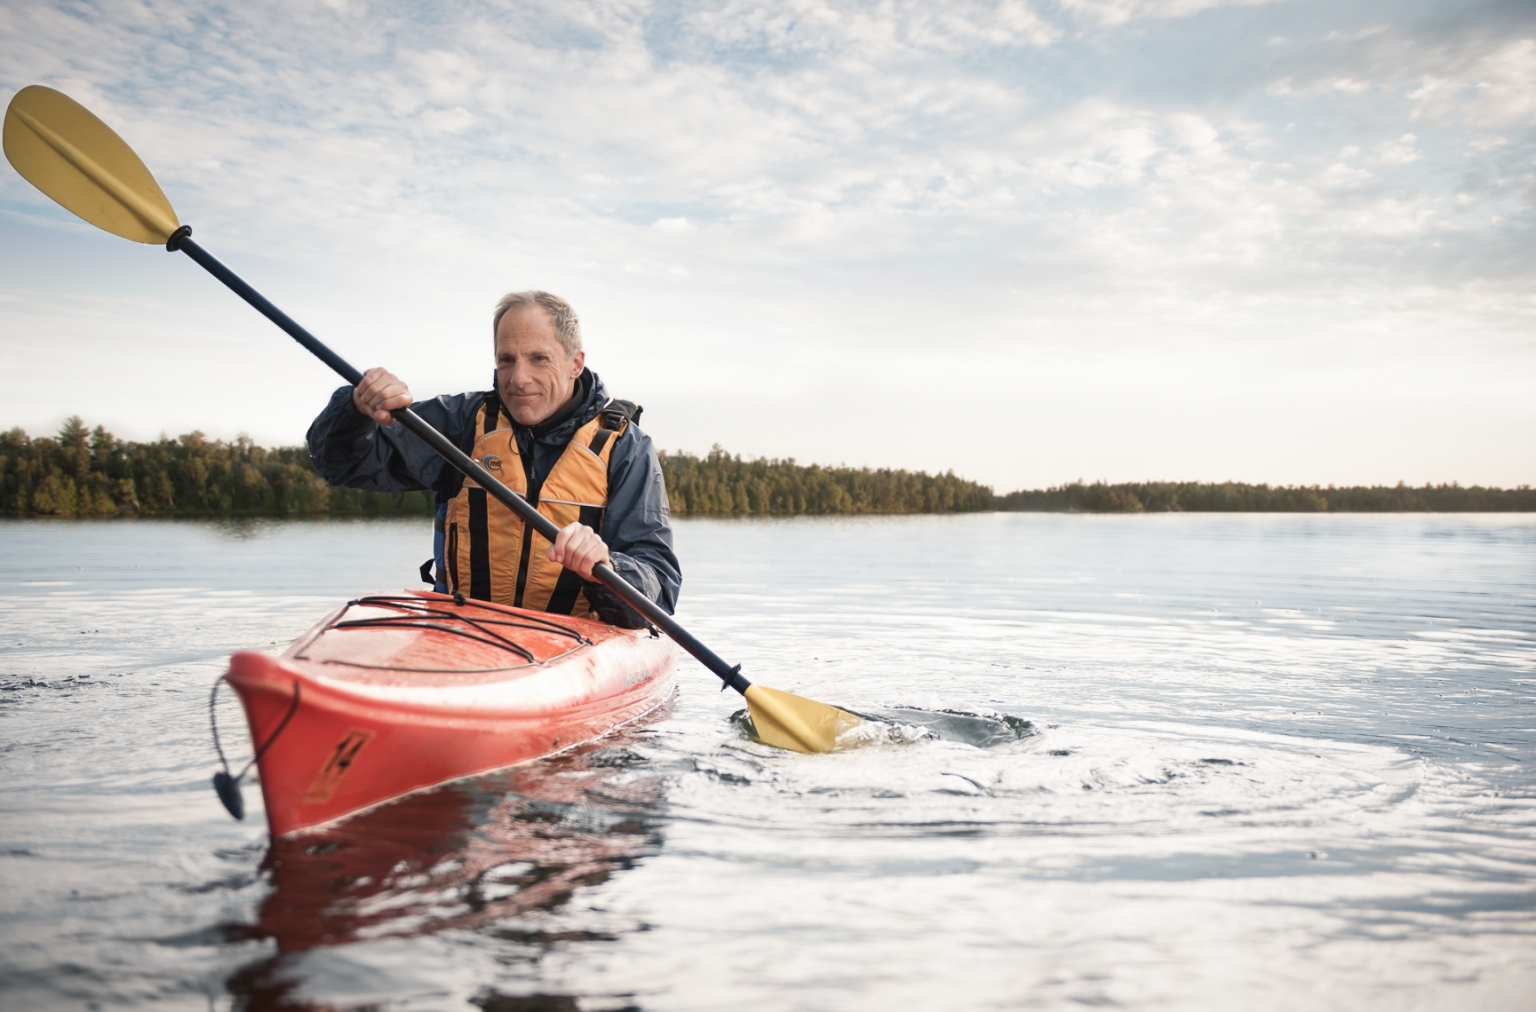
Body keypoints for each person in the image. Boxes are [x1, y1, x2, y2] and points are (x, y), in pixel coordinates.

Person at [306, 291, 679, 627]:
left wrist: (608, 567)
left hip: (573, 651)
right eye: (506, 360)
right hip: (464, 636)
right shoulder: (461, 423)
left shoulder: (626, 448)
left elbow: (659, 589)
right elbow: (341, 463)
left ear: (575, 363)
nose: (518, 378)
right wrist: (356, 408)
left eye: (538, 359)